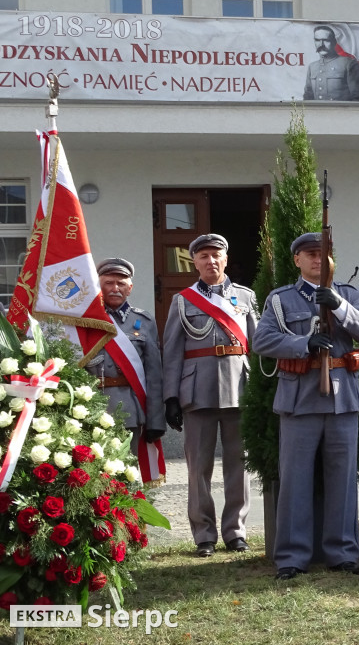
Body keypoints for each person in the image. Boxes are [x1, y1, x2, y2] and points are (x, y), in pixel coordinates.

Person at [252, 232, 359, 581]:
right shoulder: (281, 299)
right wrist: (302, 342)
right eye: (310, 254)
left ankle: (343, 553)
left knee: (343, 479)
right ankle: (292, 556)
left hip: (341, 399)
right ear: (297, 260)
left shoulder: (347, 295)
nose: (317, 260)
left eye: (323, 254)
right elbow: (261, 340)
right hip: (299, 399)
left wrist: (337, 304)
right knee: (295, 480)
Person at [162, 233, 258, 557]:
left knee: (238, 465)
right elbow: (172, 351)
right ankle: (204, 533)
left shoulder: (246, 298)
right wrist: (170, 397)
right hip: (197, 391)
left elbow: (257, 347)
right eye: (203, 256)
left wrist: (261, 390)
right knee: (198, 468)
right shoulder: (182, 301)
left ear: (226, 259)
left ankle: (235, 531)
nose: (210, 261)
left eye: (216, 255)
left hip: (239, 390)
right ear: (195, 262)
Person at [85, 257, 164, 456]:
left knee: (129, 473)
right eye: (109, 283)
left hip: (130, 409)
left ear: (129, 288)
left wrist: (155, 419)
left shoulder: (143, 321)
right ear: (99, 285)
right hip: (92, 407)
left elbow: (154, 375)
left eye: (121, 283)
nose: (115, 288)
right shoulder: (85, 321)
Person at [303, 24, 359, 101]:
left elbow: (357, 98)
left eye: (326, 40)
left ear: (334, 42)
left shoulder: (349, 64)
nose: (321, 44)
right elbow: (308, 97)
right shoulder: (312, 67)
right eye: (317, 40)